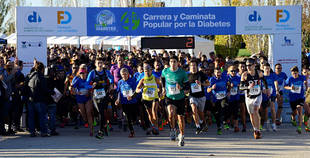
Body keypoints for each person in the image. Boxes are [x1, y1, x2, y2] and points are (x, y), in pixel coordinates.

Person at [161, 56, 189, 146]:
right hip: (169, 97)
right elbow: (162, 79)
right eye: (171, 62)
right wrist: (163, 88)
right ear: (169, 63)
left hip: (180, 98)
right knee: (171, 113)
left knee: (180, 118)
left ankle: (182, 135)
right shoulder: (165, 71)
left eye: (174, 62)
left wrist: (181, 88)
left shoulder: (182, 73)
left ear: (178, 63)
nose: (173, 63)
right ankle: (172, 129)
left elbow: (187, 87)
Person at [240, 58, 267, 139]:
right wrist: (248, 87)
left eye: (250, 65)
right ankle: (255, 129)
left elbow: (264, 81)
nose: (248, 67)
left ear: (254, 65)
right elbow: (241, 87)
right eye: (247, 65)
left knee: (256, 110)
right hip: (249, 97)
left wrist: (266, 88)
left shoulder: (259, 73)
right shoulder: (244, 75)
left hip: (258, 95)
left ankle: (258, 131)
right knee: (251, 114)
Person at [87, 58, 114, 139]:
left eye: (101, 63)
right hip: (96, 96)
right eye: (98, 63)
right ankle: (102, 130)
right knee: (101, 112)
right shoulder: (92, 72)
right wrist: (91, 86)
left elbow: (111, 78)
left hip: (105, 94)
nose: (100, 64)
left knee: (104, 113)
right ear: (95, 64)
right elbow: (86, 84)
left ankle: (102, 129)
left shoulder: (106, 71)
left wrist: (111, 84)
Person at [136, 61, 162, 135]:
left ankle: (156, 127)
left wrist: (160, 91)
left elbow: (160, 84)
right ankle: (153, 125)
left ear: (151, 70)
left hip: (154, 97)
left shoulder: (155, 78)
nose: (147, 72)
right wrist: (140, 89)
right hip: (146, 98)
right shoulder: (142, 79)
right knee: (150, 114)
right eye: (145, 71)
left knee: (154, 111)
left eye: (148, 70)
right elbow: (137, 88)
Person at [27, 62, 50, 137]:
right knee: (42, 116)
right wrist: (52, 92)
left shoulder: (30, 75)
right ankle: (43, 132)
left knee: (31, 117)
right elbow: (44, 89)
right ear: (42, 69)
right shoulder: (41, 77)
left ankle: (32, 132)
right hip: (39, 100)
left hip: (30, 99)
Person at [71, 64, 94, 136]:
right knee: (83, 114)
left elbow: (92, 88)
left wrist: (89, 92)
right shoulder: (76, 79)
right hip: (80, 98)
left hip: (87, 98)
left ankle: (91, 130)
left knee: (88, 112)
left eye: (84, 73)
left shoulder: (89, 79)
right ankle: (85, 120)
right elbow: (71, 88)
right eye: (81, 73)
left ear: (86, 72)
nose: (82, 74)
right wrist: (76, 92)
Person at [187, 59, 209, 134]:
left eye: (194, 65)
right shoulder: (187, 75)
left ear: (197, 66)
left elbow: (208, 84)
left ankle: (203, 123)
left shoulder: (201, 74)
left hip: (201, 96)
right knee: (194, 109)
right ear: (189, 67)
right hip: (192, 96)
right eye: (191, 65)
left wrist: (201, 84)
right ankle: (198, 126)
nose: (193, 67)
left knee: (201, 113)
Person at [115, 68, 138, 137]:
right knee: (127, 117)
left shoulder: (133, 80)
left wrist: (132, 96)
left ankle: (133, 121)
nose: (124, 76)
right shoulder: (120, 82)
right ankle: (131, 131)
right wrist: (118, 99)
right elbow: (118, 92)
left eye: (125, 74)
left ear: (128, 74)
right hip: (124, 102)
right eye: (123, 74)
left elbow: (136, 90)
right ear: (121, 75)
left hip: (133, 102)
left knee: (134, 117)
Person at [285, 66, 307, 134]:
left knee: (300, 109)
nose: (294, 74)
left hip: (300, 97)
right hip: (292, 98)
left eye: (295, 73)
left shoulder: (302, 77)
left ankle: (299, 127)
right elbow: (285, 86)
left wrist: (305, 84)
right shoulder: (289, 79)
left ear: (298, 72)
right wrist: (290, 88)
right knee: (295, 112)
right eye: (293, 73)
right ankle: (293, 118)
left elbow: (306, 79)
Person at [208, 67, 229, 135]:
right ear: (214, 73)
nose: (218, 74)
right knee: (217, 114)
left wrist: (228, 91)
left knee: (225, 107)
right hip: (216, 99)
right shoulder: (212, 80)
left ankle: (225, 122)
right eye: (217, 72)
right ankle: (219, 128)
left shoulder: (225, 78)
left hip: (223, 97)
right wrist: (211, 88)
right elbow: (208, 91)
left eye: (219, 72)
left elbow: (228, 84)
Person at [260, 63, 278, 132]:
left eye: (268, 68)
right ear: (263, 69)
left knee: (273, 108)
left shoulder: (273, 75)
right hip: (263, 95)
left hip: (272, 94)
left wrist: (276, 90)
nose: (267, 70)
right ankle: (267, 123)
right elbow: (258, 85)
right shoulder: (261, 76)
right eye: (266, 68)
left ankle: (273, 124)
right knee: (265, 111)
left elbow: (276, 82)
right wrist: (262, 90)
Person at [227, 65, 241, 132]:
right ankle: (230, 122)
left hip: (236, 97)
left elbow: (241, 87)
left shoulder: (238, 78)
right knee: (229, 112)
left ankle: (236, 126)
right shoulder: (227, 78)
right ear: (228, 72)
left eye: (234, 71)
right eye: (231, 71)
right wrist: (229, 87)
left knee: (236, 112)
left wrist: (239, 86)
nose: (233, 72)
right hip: (228, 98)